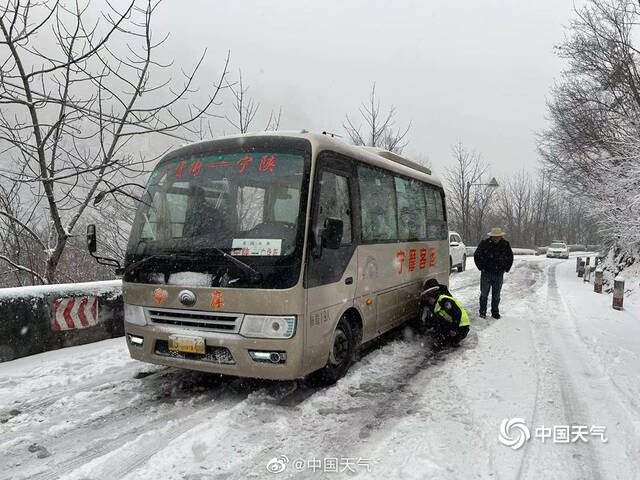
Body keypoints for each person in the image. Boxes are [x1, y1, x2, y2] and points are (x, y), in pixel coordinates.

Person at [473, 227, 513, 319]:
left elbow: (510, 257)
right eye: (494, 237)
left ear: (500, 236)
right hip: (486, 273)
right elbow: (477, 255)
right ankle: (482, 312)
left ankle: (495, 312)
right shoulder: (484, 244)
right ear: (491, 236)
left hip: (499, 274)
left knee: (496, 295)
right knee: (484, 294)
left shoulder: (505, 245)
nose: (495, 238)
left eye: (497, 237)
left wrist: (505, 268)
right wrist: (481, 267)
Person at [420, 279, 470, 348]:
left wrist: (454, 329)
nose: (429, 301)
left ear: (433, 297)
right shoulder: (437, 303)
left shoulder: (444, 301)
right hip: (456, 326)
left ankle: (451, 340)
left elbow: (457, 313)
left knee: (443, 341)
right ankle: (445, 340)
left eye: (429, 299)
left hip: (461, 328)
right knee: (437, 329)